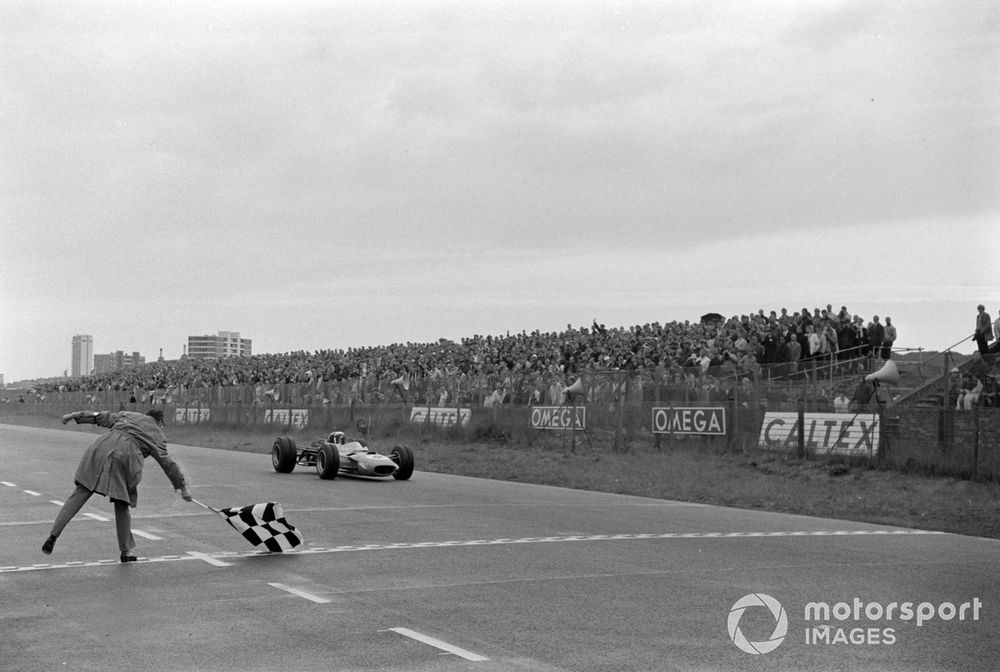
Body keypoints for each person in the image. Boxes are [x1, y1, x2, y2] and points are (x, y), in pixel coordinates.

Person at [42, 409, 192, 562]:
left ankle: (53, 535)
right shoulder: (158, 434)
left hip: (102, 446)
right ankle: (125, 551)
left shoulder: (128, 415)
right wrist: (182, 487)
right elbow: (169, 464)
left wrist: (73, 415)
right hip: (127, 456)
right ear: (160, 422)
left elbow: (99, 416)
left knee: (81, 491)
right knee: (122, 502)